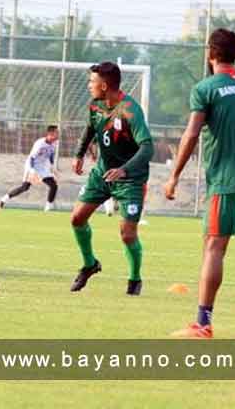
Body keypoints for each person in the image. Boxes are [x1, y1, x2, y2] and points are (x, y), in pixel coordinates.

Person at [164, 29, 235, 339]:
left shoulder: (206, 88)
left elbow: (192, 134)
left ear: (210, 54)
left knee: (214, 247)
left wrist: (174, 175)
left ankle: (203, 323)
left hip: (227, 180)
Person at [69, 62, 153, 296]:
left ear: (104, 86)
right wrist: (79, 154)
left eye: (92, 82)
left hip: (130, 179)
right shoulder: (96, 105)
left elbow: (147, 148)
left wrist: (124, 169)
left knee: (127, 234)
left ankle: (135, 280)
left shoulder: (130, 111)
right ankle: (89, 264)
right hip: (102, 173)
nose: (88, 86)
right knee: (77, 218)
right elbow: (89, 129)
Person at [0, 125, 61, 212]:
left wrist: (53, 169)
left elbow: (50, 156)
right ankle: (2, 200)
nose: (58, 135)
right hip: (32, 165)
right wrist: (32, 171)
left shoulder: (54, 144)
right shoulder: (40, 143)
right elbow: (32, 158)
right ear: (50, 133)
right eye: (56, 133)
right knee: (25, 187)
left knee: (53, 185)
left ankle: (48, 209)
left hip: (42, 167)